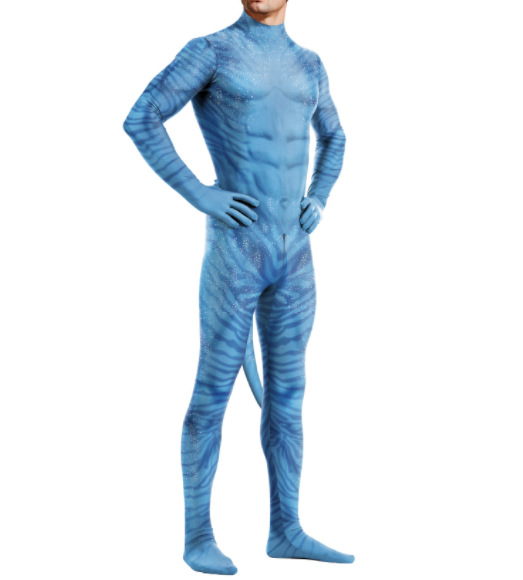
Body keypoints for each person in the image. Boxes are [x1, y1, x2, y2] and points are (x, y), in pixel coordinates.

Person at [123, 0, 353, 574]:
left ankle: (286, 529)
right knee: (213, 392)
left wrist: (320, 198)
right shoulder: (212, 51)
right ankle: (197, 537)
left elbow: (336, 137)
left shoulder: (310, 64)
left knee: (288, 396)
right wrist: (200, 194)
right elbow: (142, 116)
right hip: (236, 251)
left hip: (295, 255)